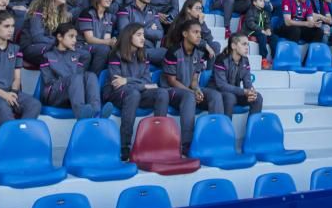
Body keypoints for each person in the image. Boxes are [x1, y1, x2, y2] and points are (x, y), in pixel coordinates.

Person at [104, 23, 170, 160]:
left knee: (162, 93)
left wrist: (127, 80)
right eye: (139, 35)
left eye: (143, 35)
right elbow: (117, 84)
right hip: (117, 94)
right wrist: (140, 85)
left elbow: (147, 83)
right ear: (129, 37)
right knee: (133, 94)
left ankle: (157, 142)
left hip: (136, 92)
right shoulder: (115, 56)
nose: (143, 38)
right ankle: (124, 146)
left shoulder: (143, 55)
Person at [161, 19, 224, 153]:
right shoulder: (173, 51)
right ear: (185, 34)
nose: (199, 36)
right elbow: (171, 81)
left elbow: (194, 80)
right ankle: (187, 144)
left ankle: (216, 138)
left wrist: (197, 90)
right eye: (195, 32)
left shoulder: (200, 52)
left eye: (200, 33)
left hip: (188, 91)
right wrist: (191, 92)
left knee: (215, 95)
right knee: (189, 96)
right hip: (171, 91)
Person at [39, 22, 110, 119]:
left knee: (91, 75)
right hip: (54, 95)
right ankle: (81, 115)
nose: (75, 40)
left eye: (76, 37)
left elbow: (85, 57)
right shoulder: (47, 56)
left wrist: (75, 50)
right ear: (59, 37)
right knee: (75, 78)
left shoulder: (76, 55)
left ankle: (97, 113)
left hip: (73, 95)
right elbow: (48, 81)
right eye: (71, 36)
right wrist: (66, 82)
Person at [20, 0, 72, 66]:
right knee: (57, 51)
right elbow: (37, 37)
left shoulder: (61, 13)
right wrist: (58, 42)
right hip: (31, 47)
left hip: (49, 45)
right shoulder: (38, 10)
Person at [212, 33, 263, 117]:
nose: (247, 47)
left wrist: (251, 92)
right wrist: (244, 91)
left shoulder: (245, 60)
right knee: (230, 98)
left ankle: (253, 128)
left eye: (247, 44)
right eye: (244, 44)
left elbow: (247, 82)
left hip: (235, 92)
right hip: (219, 92)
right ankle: (226, 128)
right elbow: (222, 85)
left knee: (257, 98)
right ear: (233, 46)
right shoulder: (221, 59)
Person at [78, 0, 117, 74]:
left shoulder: (109, 16)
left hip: (98, 46)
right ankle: (93, 76)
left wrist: (113, 42)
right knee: (104, 49)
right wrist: (108, 42)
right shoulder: (87, 13)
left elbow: (107, 38)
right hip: (83, 46)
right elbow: (89, 39)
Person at [243, 0, 272, 69]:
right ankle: (264, 59)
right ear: (254, 2)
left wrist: (268, 29)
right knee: (262, 35)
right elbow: (250, 24)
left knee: (274, 37)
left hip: (262, 31)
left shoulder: (265, 12)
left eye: (263, 0)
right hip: (251, 31)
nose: (263, 2)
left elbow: (268, 23)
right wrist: (262, 30)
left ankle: (274, 57)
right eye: (260, 0)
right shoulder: (250, 11)